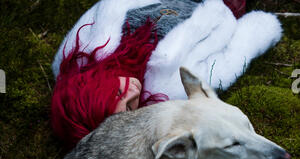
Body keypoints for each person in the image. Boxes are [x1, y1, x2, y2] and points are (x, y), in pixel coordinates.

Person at [51, 0, 282, 149]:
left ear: (96, 83)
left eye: (118, 92)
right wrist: (261, 31)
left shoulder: (84, 51)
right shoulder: (172, 86)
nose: (134, 91)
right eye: (131, 107)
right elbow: (230, 61)